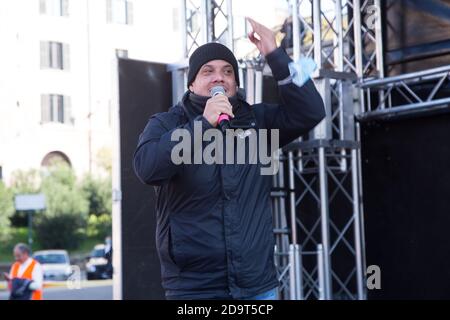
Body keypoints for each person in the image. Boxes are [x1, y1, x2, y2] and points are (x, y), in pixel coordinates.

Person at [133, 17, 325, 300]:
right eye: (207, 71)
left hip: (256, 285)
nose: (219, 77)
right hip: (194, 289)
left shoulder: (258, 122)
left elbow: (311, 111)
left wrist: (275, 53)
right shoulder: (166, 124)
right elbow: (147, 168)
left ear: (235, 82)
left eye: (227, 72)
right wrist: (202, 125)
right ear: (192, 84)